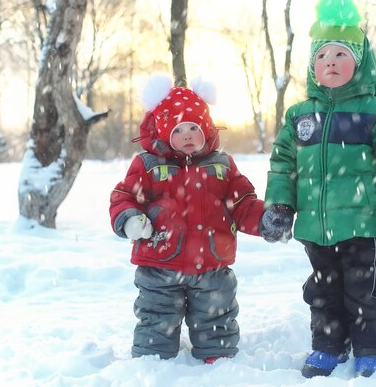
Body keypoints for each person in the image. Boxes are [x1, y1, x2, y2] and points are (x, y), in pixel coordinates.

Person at [260, 0, 376, 378]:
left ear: (360, 62)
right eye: (321, 56)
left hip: (365, 226)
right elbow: (283, 165)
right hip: (316, 228)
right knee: (323, 292)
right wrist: (280, 206)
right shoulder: (299, 115)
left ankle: (372, 348)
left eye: (340, 55)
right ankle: (328, 345)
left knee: (364, 292)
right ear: (312, 66)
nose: (329, 62)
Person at [109, 74, 265, 364]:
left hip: (212, 264)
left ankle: (216, 356)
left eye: (194, 127)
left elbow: (243, 202)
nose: (189, 135)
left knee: (216, 312)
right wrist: (130, 219)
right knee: (157, 314)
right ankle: (153, 359)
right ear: (164, 132)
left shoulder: (222, 165)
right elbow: (123, 196)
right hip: (159, 263)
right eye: (179, 129)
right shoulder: (148, 165)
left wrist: (264, 219)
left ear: (206, 128)